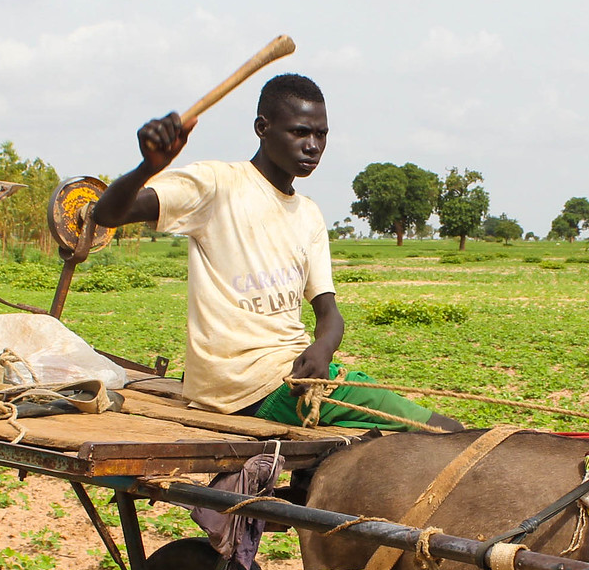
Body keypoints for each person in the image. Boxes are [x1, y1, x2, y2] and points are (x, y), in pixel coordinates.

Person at [91, 72, 461, 434]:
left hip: (296, 372)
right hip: (245, 386)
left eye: (321, 134)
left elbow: (328, 312)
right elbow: (108, 213)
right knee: (442, 429)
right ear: (262, 128)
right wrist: (148, 168)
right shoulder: (217, 185)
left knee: (379, 442)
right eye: (300, 132)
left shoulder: (309, 214)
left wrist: (323, 349)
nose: (312, 145)